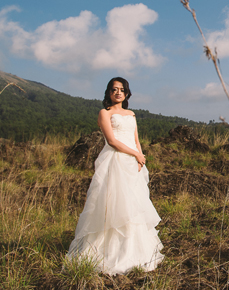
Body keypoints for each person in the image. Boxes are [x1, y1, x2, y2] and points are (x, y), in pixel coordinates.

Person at [66, 77, 164, 274]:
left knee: (133, 204)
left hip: (132, 163)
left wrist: (140, 157)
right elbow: (111, 141)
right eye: (114, 89)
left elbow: (136, 139)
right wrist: (135, 153)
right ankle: (106, 251)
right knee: (112, 203)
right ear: (108, 93)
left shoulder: (131, 114)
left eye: (121, 89)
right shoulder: (105, 113)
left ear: (126, 93)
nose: (118, 93)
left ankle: (134, 251)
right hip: (114, 161)